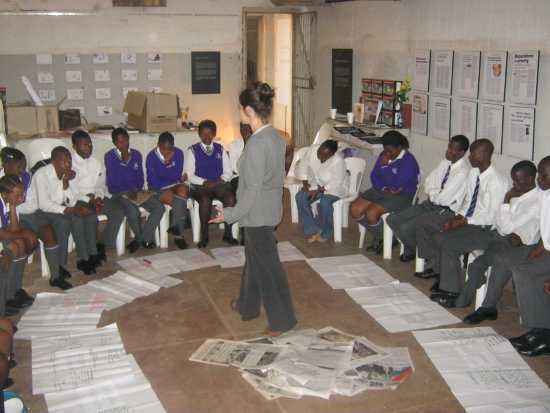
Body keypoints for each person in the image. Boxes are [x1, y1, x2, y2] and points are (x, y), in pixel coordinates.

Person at [210, 81, 297, 336]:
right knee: (255, 260)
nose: (238, 111)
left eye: (240, 108)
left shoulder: (258, 144)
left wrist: (230, 215)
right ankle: (248, 306)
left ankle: (283, 320)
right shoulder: (275, 136)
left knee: (269, 269)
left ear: (248, 110)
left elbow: (252, 190)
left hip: (257, 214)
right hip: (268, 210)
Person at [418, 139, 508, 308]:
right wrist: (457, 217)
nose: (470, 156)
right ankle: (445, 278)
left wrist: (465, 220)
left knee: (449, 243)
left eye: (474, 153)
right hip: (471, 222)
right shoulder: (474, 173)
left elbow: (492, 216)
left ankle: (452, 291)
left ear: (486, 154)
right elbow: (468, 202)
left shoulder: (498, 181)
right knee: (439, 236)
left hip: (486, 230)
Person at [460, 160, 540, 321]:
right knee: (477, 264)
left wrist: (506, 201)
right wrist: (505, 221)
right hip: (504, 240)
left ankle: (488, 307)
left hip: (524, 246)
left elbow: (507, 227)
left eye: (519, 180)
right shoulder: (519, 194)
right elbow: (499, 222)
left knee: (499, 263)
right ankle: (463, 299)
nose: (515, 184)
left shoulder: (536, 201)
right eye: (514, 180)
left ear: (531, 179)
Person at [386, 135, 470, 261]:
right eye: (449, 147)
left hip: (445, 211)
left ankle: (425, 254)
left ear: (461, 152)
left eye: (453, 149)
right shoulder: (445, 163)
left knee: (406, 227)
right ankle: (416, 249)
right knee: (393, 219)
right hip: (430, 203)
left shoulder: (463, 172)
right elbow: (428, 181)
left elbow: (444, 199)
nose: (448, 151)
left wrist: (434, 192)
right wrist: (435, 192)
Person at [0, 148, 72, 290]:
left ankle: (55, 275)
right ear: (7, 165)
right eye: (19, 166)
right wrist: (16, 206)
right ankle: (13, 290)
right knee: (21, 241)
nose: (23, 170)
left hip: (27, 212)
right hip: (8, 219)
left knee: (47, 231)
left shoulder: (26, 177)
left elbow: (33, 203)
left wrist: (17, 205)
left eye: (24, 166)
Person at [505, 156, 550, 357]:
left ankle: (544, 334)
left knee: (527, 273)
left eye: (545, 175)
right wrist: (538, 249)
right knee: (521, 268)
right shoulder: (546, 195)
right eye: (539, 174)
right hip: (546, 250)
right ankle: (538, 329)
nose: (540, 179)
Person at [350, 131, 420, 254]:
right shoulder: (384, 155)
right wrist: (383, 188)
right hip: (382, 190)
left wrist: (384, 167)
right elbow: (374, 176)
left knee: (371, 213)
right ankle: (384, 237)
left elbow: (396, 185)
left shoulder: (409, 161)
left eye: (391, 151)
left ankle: (382, 238)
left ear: (399, 147)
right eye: (385, 150)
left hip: (402, 196)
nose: (387, 154)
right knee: (355, 209)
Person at [34, 147, 96, 276]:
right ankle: (60, 264)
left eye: (69, 160)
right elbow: (44, 204)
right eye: (64, 161)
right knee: (64, 221)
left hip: (57, 207)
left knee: (79, 217)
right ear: (54, 162)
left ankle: (83, 259)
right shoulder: (41, 175)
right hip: (38, 210)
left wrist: (66, 183)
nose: (68, 164)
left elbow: (72, 199)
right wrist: (70, 209)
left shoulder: (67, 173)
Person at [104, 127, 165, 252]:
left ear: (128, 139)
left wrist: (137, 190)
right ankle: (143, 239)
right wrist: (127, 192)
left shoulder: (136, 154)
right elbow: (112, 183)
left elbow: (140, 178)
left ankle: (141, 238)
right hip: (119, 193)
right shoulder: (110, 156)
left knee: (159, 207)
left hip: (136, 191)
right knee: (133, 211)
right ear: (115, 143)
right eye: (119, 142)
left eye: (125, 141)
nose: (123, 144)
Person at [185, 120, 237, 248]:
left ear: (214, 134)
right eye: (204, 134)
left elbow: (228, 172)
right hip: (200, 186)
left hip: (218, 184)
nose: (207, 137)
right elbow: (189, 175)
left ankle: (228, 233)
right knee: (205, 200)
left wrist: (219, 180)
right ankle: (205, 235)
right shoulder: (192, 151)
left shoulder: (220, 149)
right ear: (199, 134)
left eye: (210, 134)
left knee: (230, 198)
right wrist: (205, 182)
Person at [295, 140, 347, 243]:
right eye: (319, 152)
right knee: (300, 196)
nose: (319, 156)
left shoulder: (338, 161)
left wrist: (318, 191)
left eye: (324, 155)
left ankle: (327, 231)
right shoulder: (312, 150)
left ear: (331, 155)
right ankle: (312, 228)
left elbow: (337, 182)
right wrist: (305, 185)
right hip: (317, 185)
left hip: (335, 189)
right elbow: (303, 166)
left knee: (325, 202)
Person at [70, 130, 107, 269]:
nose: (89, 147)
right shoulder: (70, 163)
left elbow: (101, 183)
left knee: (114, 211)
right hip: (77, 199)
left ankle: (96, 250)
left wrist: (98, 197)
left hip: (95, 197)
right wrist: (89, 199)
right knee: (84, 218)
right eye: (84, 145)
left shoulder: (96, 162)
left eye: (90, 144)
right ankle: (83, 257)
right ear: (75, 146)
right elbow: (72, 191)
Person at [145, 132, 189, 249]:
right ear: (158, 145)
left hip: (174, 185)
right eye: (163, 149)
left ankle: (175, 227)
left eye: (169, 149)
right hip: (156, 189)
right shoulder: (151, 157)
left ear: (173, 146)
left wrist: (177, 178)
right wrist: (166, 163)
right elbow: (154, 182)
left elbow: (177, 174)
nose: (166, 152)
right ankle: (178, 235)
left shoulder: (178, 153)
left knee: (183, 189)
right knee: (178, 201)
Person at [0, 175, 36, 314]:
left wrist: (14, 206)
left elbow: (14, 229)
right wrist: (25, 234)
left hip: (3, 234)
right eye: (18, 195)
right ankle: (6, 297)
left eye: (23, 194)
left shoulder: (10, 201)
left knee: (21, 243)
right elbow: (2, 234)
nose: (22, 198)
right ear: (4, 194)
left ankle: (14, 290)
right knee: (15, 246)